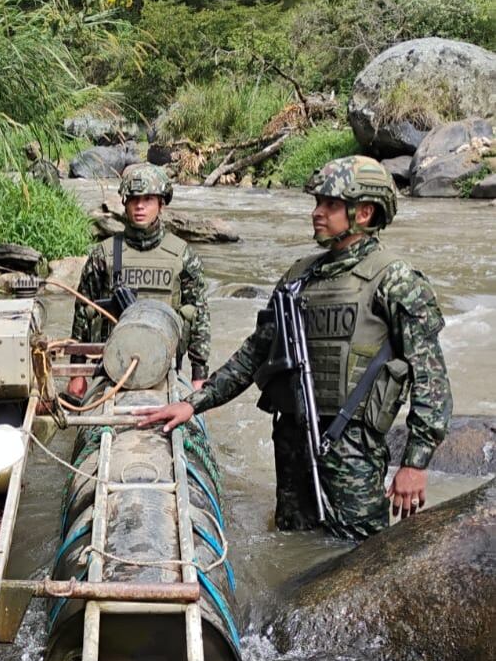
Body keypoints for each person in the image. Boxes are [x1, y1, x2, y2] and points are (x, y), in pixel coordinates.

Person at [136, 156, 452, 540]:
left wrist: (415, 464)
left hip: (352, 450)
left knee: (353, 554)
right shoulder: (299, 277)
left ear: (364, 213)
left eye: (330, 205)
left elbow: (431, 381)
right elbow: (255, 353)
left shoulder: (396, 281)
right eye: (317, 202)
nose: (317, 213)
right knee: (294, 550)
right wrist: (193, 403)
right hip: (292, 443)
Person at [67, 162, 210, 402]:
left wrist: (199, 375)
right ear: (125, 203)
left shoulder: (183, 255)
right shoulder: (105, 254)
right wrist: (77, 371)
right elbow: (83, 311)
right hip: (112, 365)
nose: (140, 206)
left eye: (148, 199)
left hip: (166, 367)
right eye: (134, 199)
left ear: (161, 204)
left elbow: (199, 317)